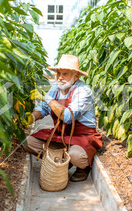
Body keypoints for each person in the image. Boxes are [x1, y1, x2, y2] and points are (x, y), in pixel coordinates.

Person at [23, 54, 103, 182]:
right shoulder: (56, 87)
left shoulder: (83, 91)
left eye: (65, 74)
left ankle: (83, 167)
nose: (60, 78)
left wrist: (48, 98)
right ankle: (62, 161)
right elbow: (44, 108)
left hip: (81, 136)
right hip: (61, 135)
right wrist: (31, 117)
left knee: (76, 155)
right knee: (28, 142)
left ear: (75, 76)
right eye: (58, 73)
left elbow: (67, 117)